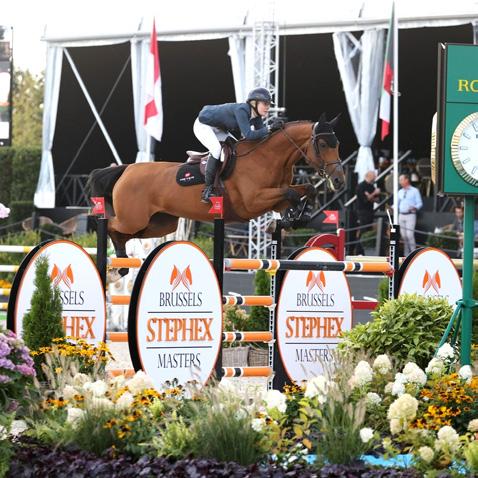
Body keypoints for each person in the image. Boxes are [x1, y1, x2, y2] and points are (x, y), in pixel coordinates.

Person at [193, 87, 283, 203]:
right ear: (254, 103)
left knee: (237, 148)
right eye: (265, 104)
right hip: (203, 125)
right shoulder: (242, 110)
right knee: (216, 149)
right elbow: (249, 135)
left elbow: (261, 138)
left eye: (269, 104)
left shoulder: (257, 117)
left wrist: (276, 132)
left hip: (218, 128)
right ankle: (207, 190)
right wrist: (270, 127)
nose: (268, 107)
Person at [355, 170, 381, 254]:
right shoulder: (361, 186)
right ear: (369, 176)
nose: (375, 177)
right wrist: (373, 194)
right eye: (374, 176)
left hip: (370, 211)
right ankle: (359, 251)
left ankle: (366, 249)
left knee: (369, 230)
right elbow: (365, 200)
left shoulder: (371, 186)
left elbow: (377, 200)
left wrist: (370, 196)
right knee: (363, 230)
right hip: (362, 211)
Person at [397, 173, 423, 256]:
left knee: (409, 235)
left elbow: (419, 203)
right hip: (401, 215)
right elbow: (396, 203)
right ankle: (406, 254)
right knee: (404, 236)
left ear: (406, 180)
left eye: (401, 180)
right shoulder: (400, 191)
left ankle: (413, 253)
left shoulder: (415, 191)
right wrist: (391, 207)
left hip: (410, 215)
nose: (400, 182)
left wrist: (415, 207)